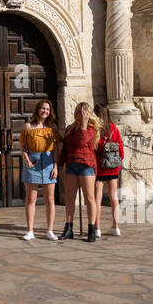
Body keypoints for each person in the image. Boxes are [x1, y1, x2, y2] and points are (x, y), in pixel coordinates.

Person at [58, 102, 100, 241]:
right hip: (71, 165)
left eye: (82, 112)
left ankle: (91, 229)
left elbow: (83, 142)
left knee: (89, 198)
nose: (78, 115)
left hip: (86, 166)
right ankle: (68, 227)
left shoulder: (91, 129)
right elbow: (65, 147)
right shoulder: (70, 129)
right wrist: (60, 164)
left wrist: (83, 124)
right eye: (77, 112)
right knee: (70, 198)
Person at [20, 99, 61, 241]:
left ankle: (50, 230)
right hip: (33, 162)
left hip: (49, 163)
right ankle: (30, 230)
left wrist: (56, 166)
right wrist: (27, 161)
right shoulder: (28, 126)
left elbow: (56, 149)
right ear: (38, 110)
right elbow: (23, 147)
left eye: (48, 109)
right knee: (31, 199)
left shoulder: (53, 128)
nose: (45, 111)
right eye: (43, 108)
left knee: (50, 199)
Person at [94, 104, 126, 235]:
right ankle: (116, 226)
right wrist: (116, 163)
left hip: (100, 167)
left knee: (97, 198)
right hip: (113, 168)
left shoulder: (95, 130)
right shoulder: (114, 129)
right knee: (114, 197)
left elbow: (94, 149)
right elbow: (121, 151)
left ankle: (97, 228)